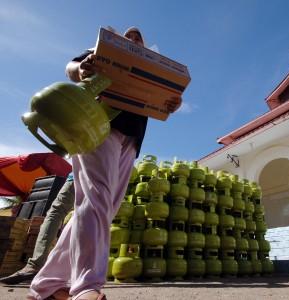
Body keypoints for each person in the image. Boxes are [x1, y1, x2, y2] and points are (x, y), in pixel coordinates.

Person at [27, 27, 181, 300]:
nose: (133, 39)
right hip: (93, 123)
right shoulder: (105, 52)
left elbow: (160, 103)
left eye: (138, 37)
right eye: (129, 35)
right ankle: (87, 287)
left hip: (132, 139)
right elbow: (71, 68)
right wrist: (82, 68)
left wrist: (170, 103)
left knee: (101, 210)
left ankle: (47, 285)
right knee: (95, 200)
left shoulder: (149, 70)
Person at [0, 177, 74, 285]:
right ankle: (85, 270)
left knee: (56, 212)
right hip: (103, 176)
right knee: (92, 215)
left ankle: (35, 265)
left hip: (80, 173)